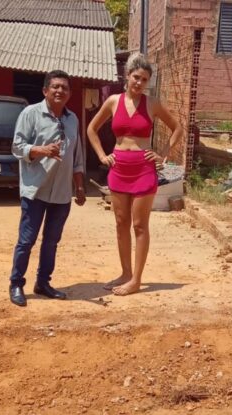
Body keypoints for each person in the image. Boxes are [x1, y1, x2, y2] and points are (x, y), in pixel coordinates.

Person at [86, 53, 182, 296]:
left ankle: (136, 279)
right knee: (121, 224)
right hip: (118, 168)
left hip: (143, 169)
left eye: (144, 79)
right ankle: (125, 273)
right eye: (136, 77)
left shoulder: (152, 104)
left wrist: (163, 154)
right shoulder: (113, 102)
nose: (139, 83)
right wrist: (101, 155)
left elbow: (177, 128)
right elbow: (91, 129)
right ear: (127, 76)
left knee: (140, 225)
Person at [8, 70, 86, 307]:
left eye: (64, 87)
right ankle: (16, 284)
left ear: (70, 93)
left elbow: (77, 155)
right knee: (27, 240)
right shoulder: (30, 114)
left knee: (51, 241)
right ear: (45, 90)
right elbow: (17, 147)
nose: (60, 90)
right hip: (36, 190)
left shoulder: (72, 119)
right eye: (55, 86)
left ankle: (43, 283)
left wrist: (79, 186)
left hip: (62, 193)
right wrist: (41, 150)